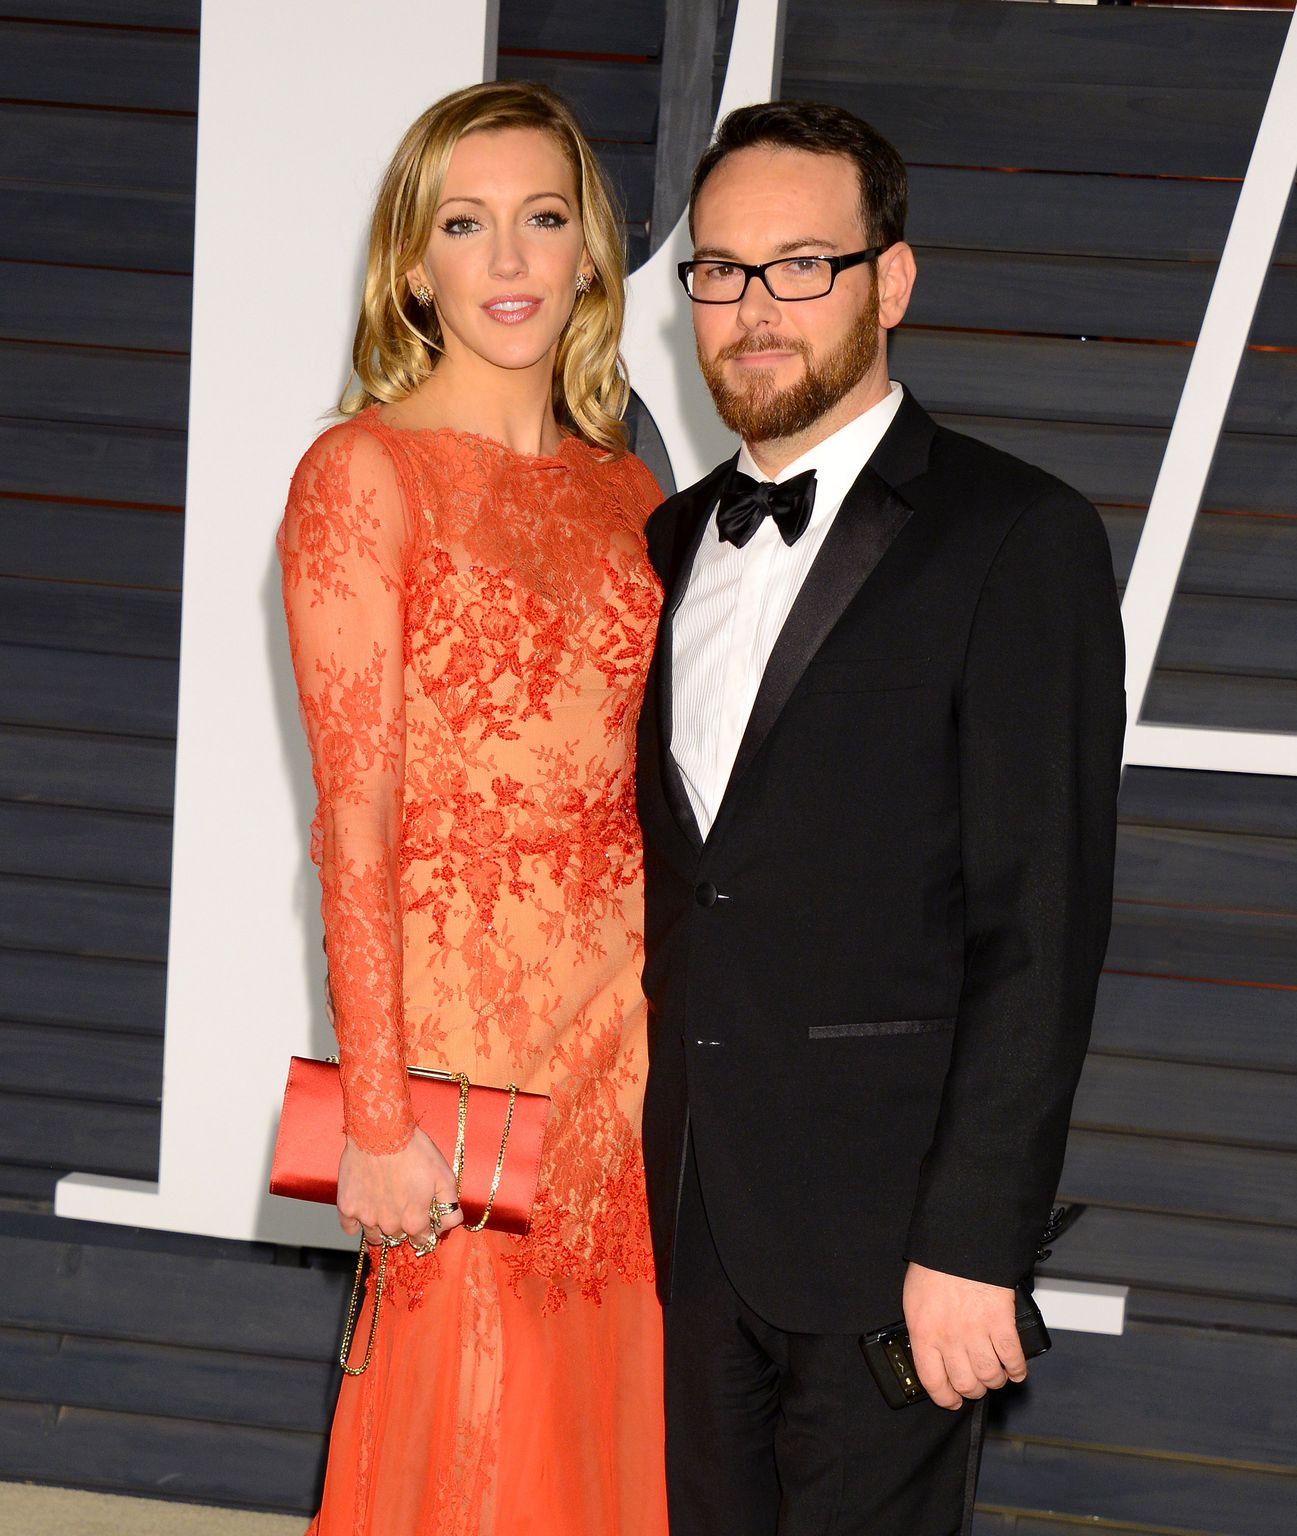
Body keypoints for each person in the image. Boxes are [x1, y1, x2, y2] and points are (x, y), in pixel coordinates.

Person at [635, 100, 1125, 1536]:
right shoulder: (664, 543)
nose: (752, 309)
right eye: (718, 272)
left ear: (888, 282)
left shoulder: (1014, 536)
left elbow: (1041, 924)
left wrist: (972, 1245)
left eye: (800, 265)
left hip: (886, 1235)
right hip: (682, 1210)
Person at [279, 81, 668, 1536]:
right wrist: (374, 1113)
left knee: (601, 1428)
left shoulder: (627, 490)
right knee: (477, 1438)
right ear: (412, 263)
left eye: (541, 219)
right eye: (466, 222)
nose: (507, 259)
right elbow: (353, 814)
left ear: (586, 256)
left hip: (621, 1052)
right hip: (459, 1062)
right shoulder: (360, 474)